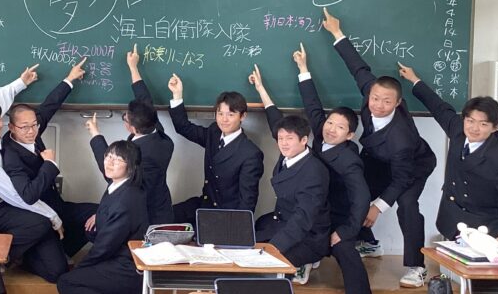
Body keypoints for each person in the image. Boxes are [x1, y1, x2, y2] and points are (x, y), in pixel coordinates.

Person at [323, 8, 437, 288]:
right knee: (353, 188)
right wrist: (336, 32)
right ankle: (369, 243)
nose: (378, 105)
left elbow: (400, 179)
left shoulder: (402, 138)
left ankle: (417, 266)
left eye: (387, 102)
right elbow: (357, 67)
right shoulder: (370, 93)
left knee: (406, 205)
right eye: (375, 98)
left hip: (412, 165)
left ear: (398, 103)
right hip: (378, 156)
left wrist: (377, 207)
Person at [254, 44, 372, 294]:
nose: (331, 129)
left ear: (349, 135)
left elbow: (361, 197)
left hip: (335, 216)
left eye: (340, 127)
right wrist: (302, 68)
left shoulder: (349, 161)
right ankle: (302, 263)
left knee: (343, 249)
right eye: (330, 122)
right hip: (309, 209)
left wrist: (347, 230)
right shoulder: (316, 134)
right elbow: (310, 105)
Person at [401, 63, 498, 248]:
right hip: (453, 221)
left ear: (495, 127)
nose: (474, 128)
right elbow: (439, 108)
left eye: (483, 124)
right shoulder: (459, 131)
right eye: (470, 121)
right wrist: (415, 80)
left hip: (486, 230)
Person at [0, 64, 68, 283]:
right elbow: (16, 195)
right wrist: (53, 216)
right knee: (40, 222)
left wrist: (22, 82)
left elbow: (0, 95)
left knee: (56, 267)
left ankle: (25, 255)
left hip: (4, 200)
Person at [2, 56, 96, 257]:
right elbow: (28, 195)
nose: (31, 131)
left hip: (57, 205)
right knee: (55, 270)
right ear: (11, 128)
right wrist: (49, 164)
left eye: (34, 125)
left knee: (100, 213)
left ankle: (65, 248)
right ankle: (32, 255)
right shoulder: (10, 155)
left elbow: (49, 106)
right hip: (37, 215)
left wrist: (70, 78)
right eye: (24, 127)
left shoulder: (32, 128)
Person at [86, 44, 174, 225]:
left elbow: (110, 171)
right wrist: (133, 67)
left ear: (132, 128)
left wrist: (95, 133)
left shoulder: (138, 154)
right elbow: (145, 100)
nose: (124, 118)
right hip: (162, 206)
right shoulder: (159, 135)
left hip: (144, 216)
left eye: (125, 118)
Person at [166, 74, 263, 224]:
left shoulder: (250, 153)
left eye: (230, 114)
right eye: (220, 113)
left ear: (243, 116)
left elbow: (247, 202)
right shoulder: (214, 132)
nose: (224, 119)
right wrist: (177, 94)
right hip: (205, 204)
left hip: (226, 216)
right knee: (164, 216)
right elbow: (184, 128)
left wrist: (234, 230)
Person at [56, 140, 148, 294]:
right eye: (108, 156)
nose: (109, 163)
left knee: (66, 282)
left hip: (127, 267)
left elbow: (105, 246)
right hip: (115, 257)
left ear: (131, 166)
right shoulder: (119, 186)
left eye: (118, 159)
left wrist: (81, 267)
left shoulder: (126, 200)